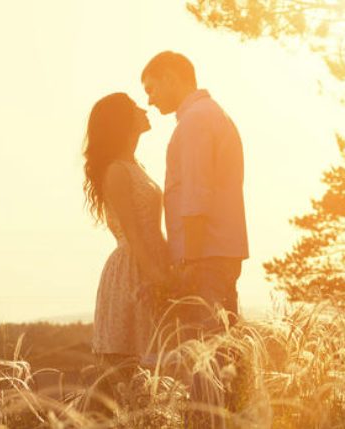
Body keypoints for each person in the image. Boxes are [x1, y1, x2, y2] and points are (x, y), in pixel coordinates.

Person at [141, 50, 248, 429]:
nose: (149, 100)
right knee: (222, 357)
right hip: (219, 252)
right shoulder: (209, 115)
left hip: (205, 257)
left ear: (172, 77)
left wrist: (188, 260)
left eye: (152, 88)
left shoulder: (196, 122)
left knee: (206, 361)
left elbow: (196, 195)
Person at [81, 92, 170, 405]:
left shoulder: (135, 165)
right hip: (132, 272)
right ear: (122, 121)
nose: (144, 108)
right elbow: (133, 234)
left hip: (149, 263)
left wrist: (171, 265)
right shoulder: (117, 170)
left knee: (156, 371)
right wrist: (157, 277)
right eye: (134, 107)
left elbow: (153, 230)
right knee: (128, 373)